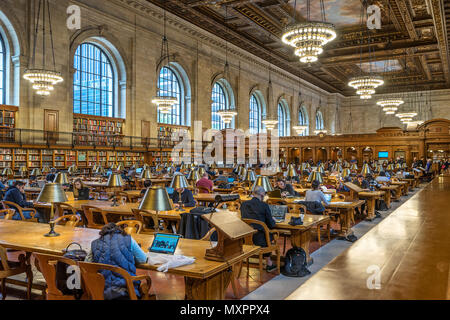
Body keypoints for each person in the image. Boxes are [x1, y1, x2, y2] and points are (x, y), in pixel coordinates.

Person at [85, 223, 148, 300]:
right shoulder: (128, 239)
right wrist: (128, 257)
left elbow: (87, 263)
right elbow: (142, 259)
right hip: (127, 290)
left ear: (102, 232)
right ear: (119, 230)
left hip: (101, 291)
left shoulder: (95, 243)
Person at [240, 186, 277, 272]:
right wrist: (273, 220)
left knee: (263, 233)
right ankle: (269, 262)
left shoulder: (244, 204)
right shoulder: (264, 205)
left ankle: (268, 262)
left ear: (253, 194)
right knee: (269, 234)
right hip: (261, 240)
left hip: (246, 238)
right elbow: (271, 225)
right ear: (262, 195)